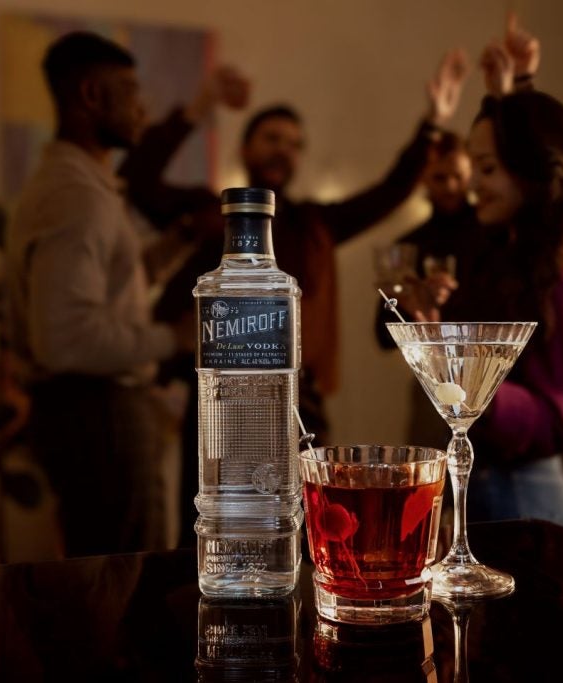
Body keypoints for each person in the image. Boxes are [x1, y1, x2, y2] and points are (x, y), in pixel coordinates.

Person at [121, 49, 470, 545]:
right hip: (219, 409)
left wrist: (432, 124)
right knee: (216, 535)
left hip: (299, 405)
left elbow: (388, 192)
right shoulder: (212, 216)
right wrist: (200, 106)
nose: (284, 150)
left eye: (293, 143)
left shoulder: (315, 224)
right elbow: (137, 180)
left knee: (308, 534)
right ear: (246, 147)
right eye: (272, 138)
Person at [404, 14, 563, 530]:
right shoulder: (505, 250)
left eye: (489, 169)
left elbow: (558, 418)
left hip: (525, 494)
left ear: (532, 174)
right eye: (475, 168)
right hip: (485, 482)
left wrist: (468, 381)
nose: (475, 184)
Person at [3, 32, 199, 556]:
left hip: (94, 412)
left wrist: (180, 239)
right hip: (98, 412)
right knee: (125, 582)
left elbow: (115, 285)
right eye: (131, 91)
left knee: (115, 571)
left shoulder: (80, 183)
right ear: (91, 95)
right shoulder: (76, 196)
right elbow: (65, 338)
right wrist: (175, 338)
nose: (143, 107)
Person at [373, 129, 475, 448]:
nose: (449, 186)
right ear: (424, 180)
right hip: (432, 380)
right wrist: (405, 303)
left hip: (484, 370)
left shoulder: (491, 234)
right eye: (440, 177)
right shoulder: (409, 247)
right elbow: (382, 335)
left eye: (457, 176)